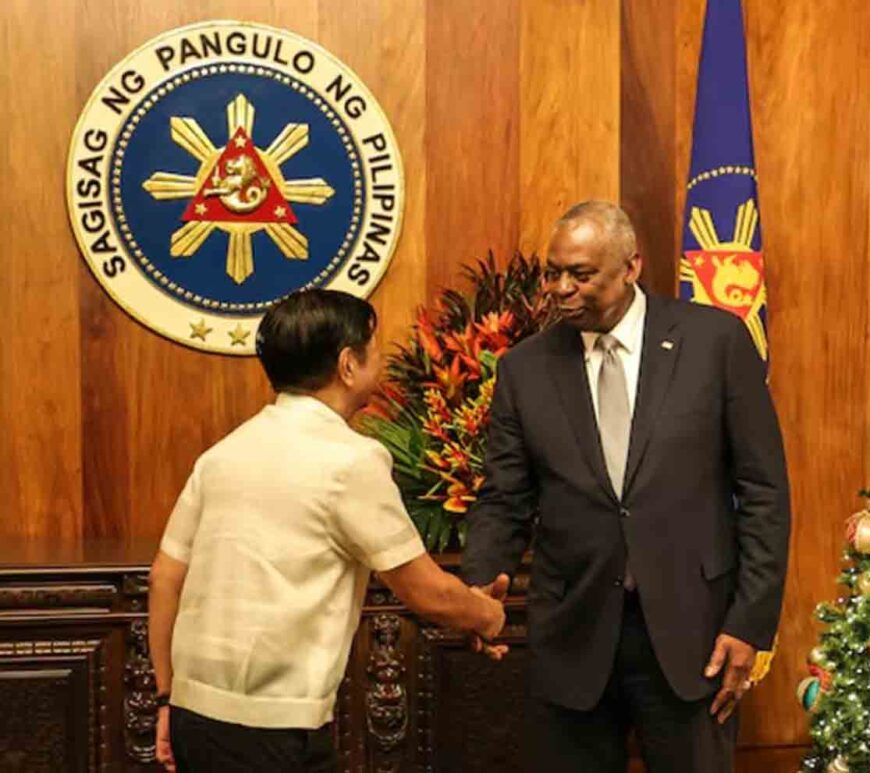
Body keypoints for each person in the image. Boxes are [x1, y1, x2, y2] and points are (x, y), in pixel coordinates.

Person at [462, 201, 790, 772]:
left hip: (694, 635)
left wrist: (749, 623)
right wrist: (478, 587)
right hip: (573, 632)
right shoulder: (525, 368)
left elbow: (763, 490)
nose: (561, 289)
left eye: (581, 274)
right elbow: (505, 496)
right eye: (553, 272)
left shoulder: (714, 342)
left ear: (631, 267)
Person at [148, 289, 506, 772]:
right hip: (272, 732)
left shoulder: (223, 453)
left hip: (194, 717)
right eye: (375, 348)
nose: (380, 358)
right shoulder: (352, 460)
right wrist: (487, 616)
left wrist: (167, 696)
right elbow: (426, 592)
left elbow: (165, 577)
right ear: (348, 365)